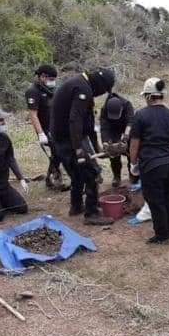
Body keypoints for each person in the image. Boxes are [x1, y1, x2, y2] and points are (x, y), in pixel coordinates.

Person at [50, 67, 115, 225]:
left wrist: (97, 148)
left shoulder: (80, 84)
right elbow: (75, 120)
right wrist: (79, 149)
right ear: (100, 84)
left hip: (65, 137)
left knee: (78, 174)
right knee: (90, 172)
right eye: (104, 90)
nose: (102, 93)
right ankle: (91, 213)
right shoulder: (82, 89)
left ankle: (76, 206)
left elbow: (88, 124)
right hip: (67, 139)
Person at [128, 77, 169, 243]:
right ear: (162, 95)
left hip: (151, 165)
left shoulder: (140, 116)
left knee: (156, 200)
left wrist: (133, 163)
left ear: (148, 96)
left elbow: (134, 144)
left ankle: (162, 235)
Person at [24, 64, 66, 192]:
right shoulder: (33, 91)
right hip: (45, 128)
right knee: (57, 152)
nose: (53, 81)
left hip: (56, 126)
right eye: (50, 78)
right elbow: (33, 114)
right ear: (42, 76)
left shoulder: (50, 89)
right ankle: (53, 179)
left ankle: (51, 178)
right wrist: (40, 133)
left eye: (54, 79)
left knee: (58, 153)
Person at [99, 92, 136, 188]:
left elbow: (130, 121)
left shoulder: (127, 105)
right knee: (113, 151)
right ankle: (116, 176)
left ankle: (132, 174)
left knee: (130, 150)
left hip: (126, 127)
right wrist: (106, 142)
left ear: (121, 109)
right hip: (113, 128)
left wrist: (126, 136)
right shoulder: (104, 109)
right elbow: (104, 127)